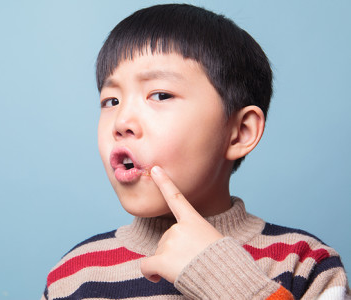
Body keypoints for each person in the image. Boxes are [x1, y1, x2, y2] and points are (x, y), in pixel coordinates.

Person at [41, 4, 349, 299]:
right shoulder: (72, 277)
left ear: (240, 132)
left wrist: (224, 280)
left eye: (160, 95)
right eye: (111, 101)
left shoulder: (306, 265)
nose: (121, 122)